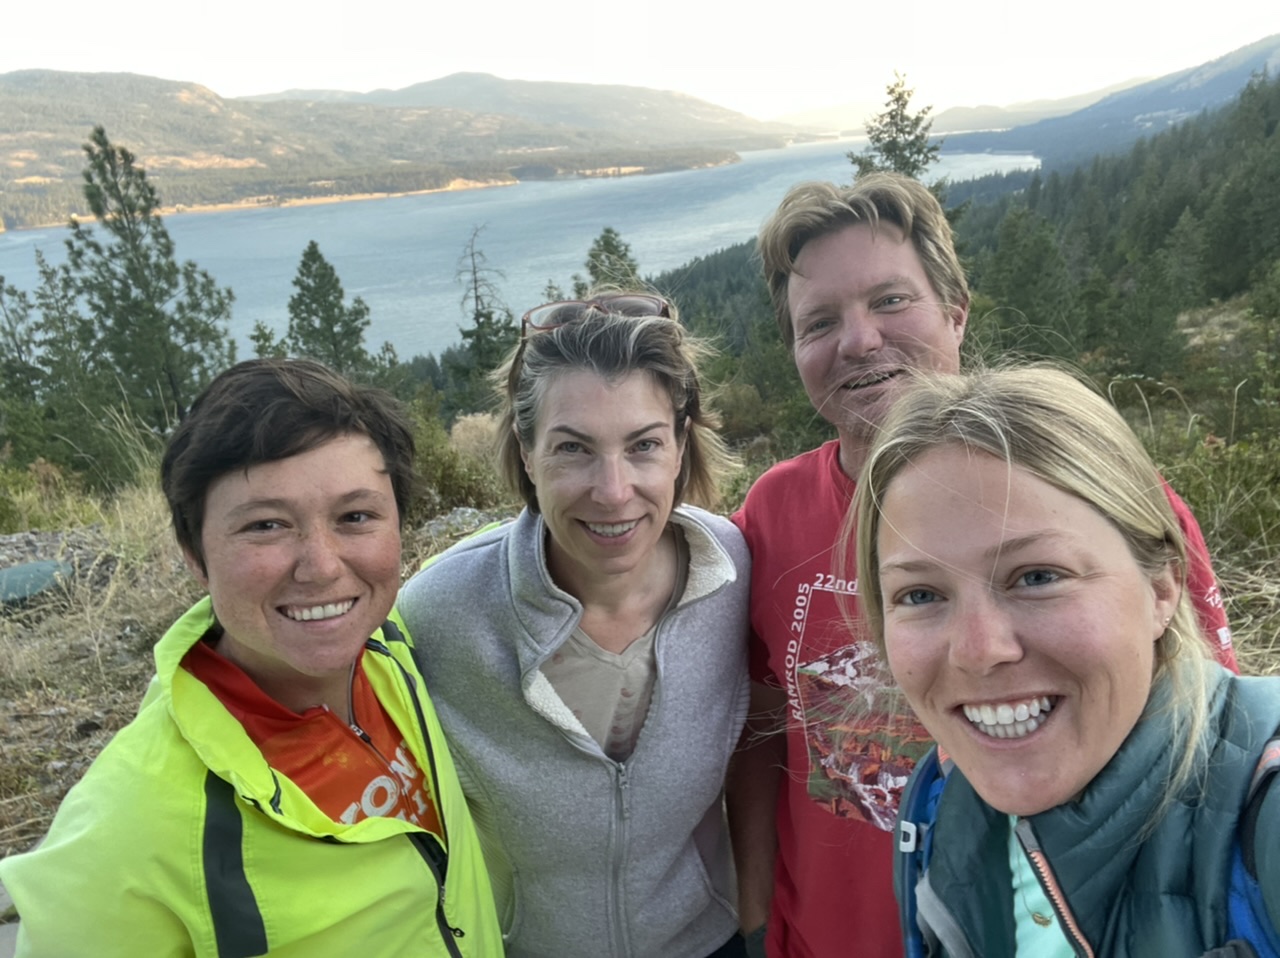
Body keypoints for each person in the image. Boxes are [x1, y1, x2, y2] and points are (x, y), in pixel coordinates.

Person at [726, 174, 1239, 958]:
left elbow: (1213, 744)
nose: (858, 340)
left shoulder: (1091, 505)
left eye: (891, 300)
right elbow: (762, 727)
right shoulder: (771, 511)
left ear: (956, 310)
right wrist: (757, 917)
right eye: (819, 321)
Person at [0, 358, 503, 957]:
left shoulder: (391, 646)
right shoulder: (126, 830)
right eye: (266, 525)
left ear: (400, 527)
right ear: (194, 552)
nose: (321, 566)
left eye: (356, 516)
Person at [852, 365, 1280, 956]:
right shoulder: (939, 802)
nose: (978, 650)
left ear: (1162, 589)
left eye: (1037, 577)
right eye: (920, 595)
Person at [398, 293, 751, 958]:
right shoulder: (440, 612)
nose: (614, 490)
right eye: (573, 449)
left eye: (643, 445)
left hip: (708, 943)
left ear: (680, 445)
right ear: (527, 454)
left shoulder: (731, 571)